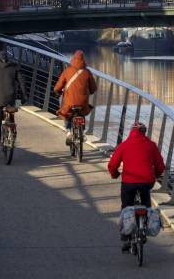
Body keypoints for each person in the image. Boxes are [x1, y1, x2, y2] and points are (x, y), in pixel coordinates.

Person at [107, 122, 165, 251]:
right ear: (144, 132)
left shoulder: (124, 145)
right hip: (147, 182)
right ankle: (145, 228)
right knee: (146, 205)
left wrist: (115, 174)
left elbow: (112, 165)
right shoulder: (151, 145)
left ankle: (125, 236)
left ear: (131, 132)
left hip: (129, 182)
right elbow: (160, 166)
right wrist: (155, 175)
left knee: (126, 206)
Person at [0, 51, 27, 158]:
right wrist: (23, 97)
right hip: (10, 99)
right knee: (11, 117)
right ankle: (12, 134)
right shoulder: (14, 68)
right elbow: (22, 82)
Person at [53, 50, 97, 142]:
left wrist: (57, 91)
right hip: (82, 102)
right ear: (83, 60)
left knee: (66, 112)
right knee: (82, 112)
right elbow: (93, 88)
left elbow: (58, 86)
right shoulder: (87, 72)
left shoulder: (67, 71)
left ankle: (68, 131)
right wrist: (90, 91)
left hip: (70, 102)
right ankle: (83, 132)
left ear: (73, 59)